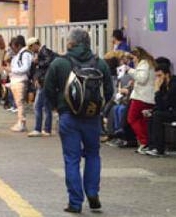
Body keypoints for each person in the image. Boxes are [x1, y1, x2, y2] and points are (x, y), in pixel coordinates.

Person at [44, 28, 114, 213]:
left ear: (70, 43)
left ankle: (75, 202)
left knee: (72, 159)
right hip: (92, 118)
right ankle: (92, 192)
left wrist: (58, 107)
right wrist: (98, 109)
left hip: (69, 117)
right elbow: (109, 92)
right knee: (93, 154)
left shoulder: (59, 63)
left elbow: (47, 90)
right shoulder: (101, 64)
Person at [145, 57, 176, 157]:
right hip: (172, 110)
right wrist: (151, 110)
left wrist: (157, 91)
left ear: (167, 74)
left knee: (158, 115)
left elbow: (165, 103)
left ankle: (159, 149)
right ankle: (152, 146)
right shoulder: (164, 85)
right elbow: (160, 105)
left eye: (160, 76)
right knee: (152, 114)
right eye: (156, 76)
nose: (158, 79)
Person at [125, 46, 157, 154]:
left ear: (137, 56)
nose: (133, 60)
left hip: (141, 97)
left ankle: (144, 142)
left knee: (132, 118)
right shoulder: (149, 63)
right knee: (143, 121)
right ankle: (146, 142)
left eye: (133, 58)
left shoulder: (144, 63)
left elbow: (142, 79)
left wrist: (130, 70)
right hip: (148, 97)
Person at [27, 37, 55, 137]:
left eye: (31, 47)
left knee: (38, 105)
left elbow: (47, 63)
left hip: (44, 83)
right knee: (47, 106)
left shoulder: (44, 52)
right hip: (45, 82)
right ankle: (47, 129)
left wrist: (38, 62)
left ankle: (38, 128)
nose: (31, 50)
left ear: (35, 45)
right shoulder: (43, 52)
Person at [6, 35, 31, 132]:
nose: (13, 49)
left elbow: (25, 68)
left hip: (20, 80)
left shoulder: (25, 54)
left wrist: (12, 70)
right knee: (18, 103)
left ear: (19, 45)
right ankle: (20, 121)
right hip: (16, 80)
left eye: (13, 46)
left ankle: (22, 123)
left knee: (20, 103)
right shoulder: (20, 54)